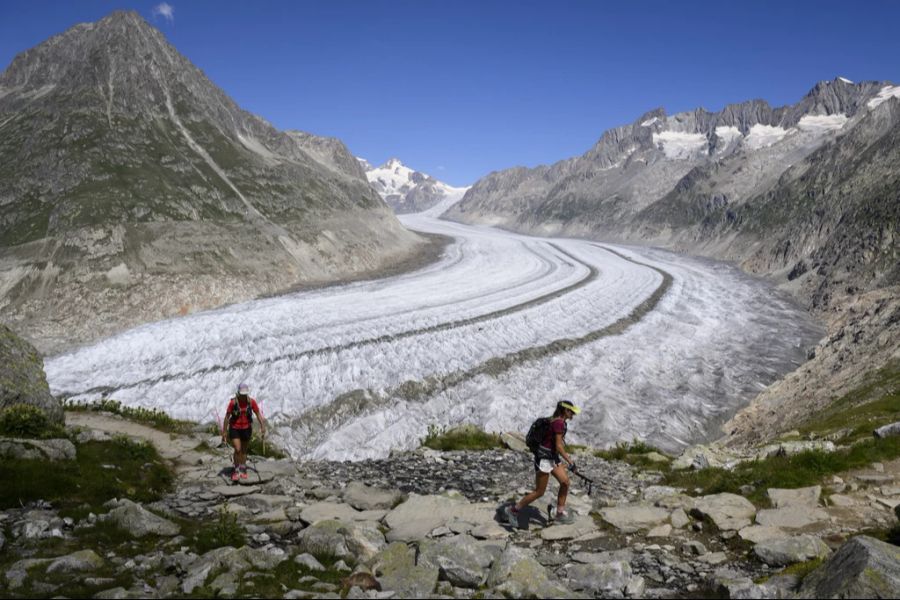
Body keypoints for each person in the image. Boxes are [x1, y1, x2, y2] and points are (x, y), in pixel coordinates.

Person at [504, 400, 580, 527]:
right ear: (566, 411)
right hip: (544, 459)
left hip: (552, 457)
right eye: (572, 412)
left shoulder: (557, 421)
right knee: (539, 491)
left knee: (565, 482)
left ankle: (559, 513)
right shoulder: (559, 423)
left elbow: (555, 446)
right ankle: (513, 510)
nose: (573, 414)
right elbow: (559, 446)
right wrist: (570, 461)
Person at [222, 382, 266, 481]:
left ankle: (243, 467)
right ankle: (236, 469)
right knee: (238, 449)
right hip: (235, 428)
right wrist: (224, 431)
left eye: (245, 394)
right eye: (242, 394)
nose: (243, 396)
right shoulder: (233, 403)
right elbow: (227, 417)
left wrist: (262, 426)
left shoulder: (251, 402)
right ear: (238, 393)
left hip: (246, 428)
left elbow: (258, 414)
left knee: (244, 450)